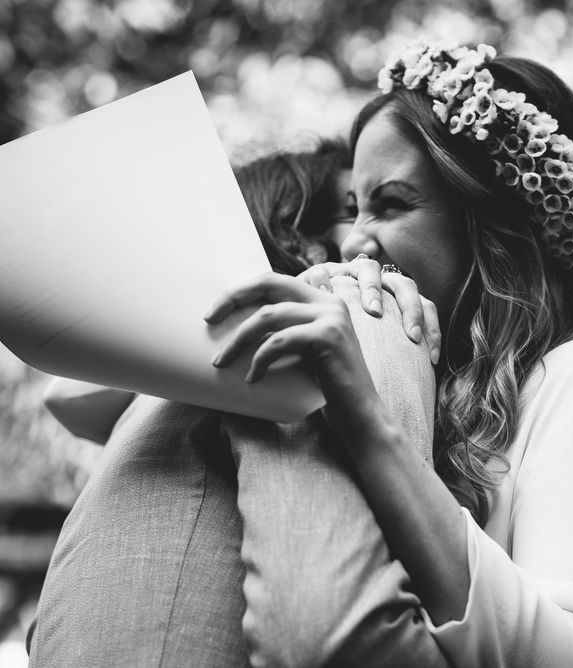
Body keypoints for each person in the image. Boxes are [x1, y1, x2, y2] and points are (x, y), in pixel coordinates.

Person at [205, 39, 573, 667]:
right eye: (354, 207)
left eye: (392, 204)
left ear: (493, 225)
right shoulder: (419, 382)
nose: (352, 240)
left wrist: (372, 429)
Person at [28, 139, 448, 667]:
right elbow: (332, 632)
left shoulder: (169, 379)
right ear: (291, 225)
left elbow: (65, 392)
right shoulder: (343, 321)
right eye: (349, 208)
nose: (363, 239)